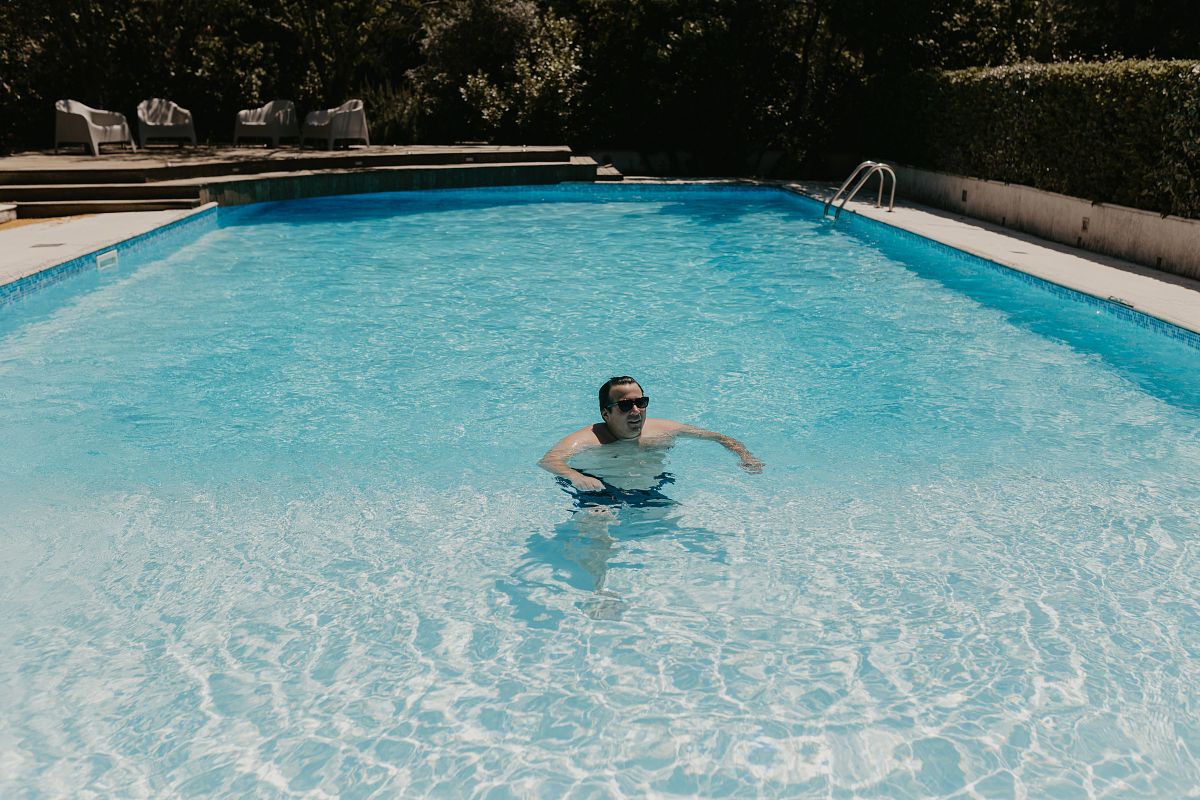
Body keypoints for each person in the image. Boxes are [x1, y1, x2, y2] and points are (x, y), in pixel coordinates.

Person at [539, 375, 763, 494]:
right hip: (597, 490)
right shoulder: (589, 438)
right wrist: (577, 477)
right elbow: (549, 461)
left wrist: (746, 456)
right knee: (597, 528)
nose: (636, 410)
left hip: (647, 487)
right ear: (606, 414)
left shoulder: (664, 429)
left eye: (641, 402)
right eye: (625, 405)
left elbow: (718, 437)